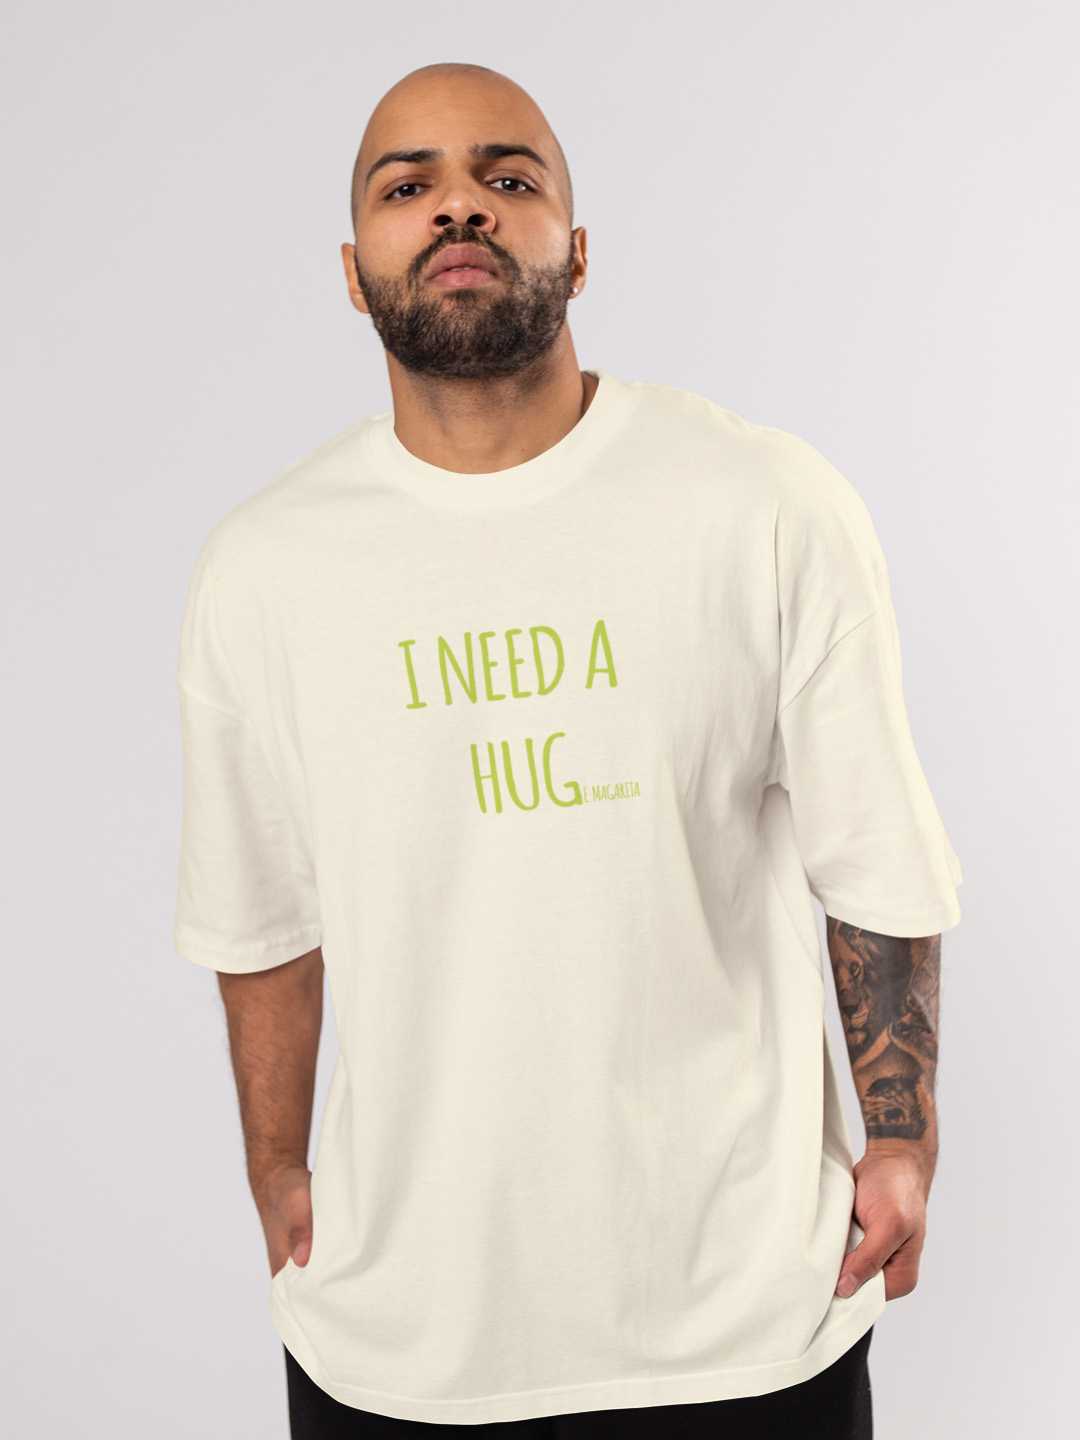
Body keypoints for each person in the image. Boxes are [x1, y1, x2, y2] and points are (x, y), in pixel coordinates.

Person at [173, 61, 962, 1438]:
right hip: (404, 1340)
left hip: (741, 1324)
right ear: (353, 274)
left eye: (507, 176)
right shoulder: (264, 571)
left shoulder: (764, 504)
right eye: (407, 187)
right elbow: (261, 917)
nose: (459, 208)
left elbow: (874, 856)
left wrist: (898, 1136)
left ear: (578, 251)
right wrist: (277, 1170)